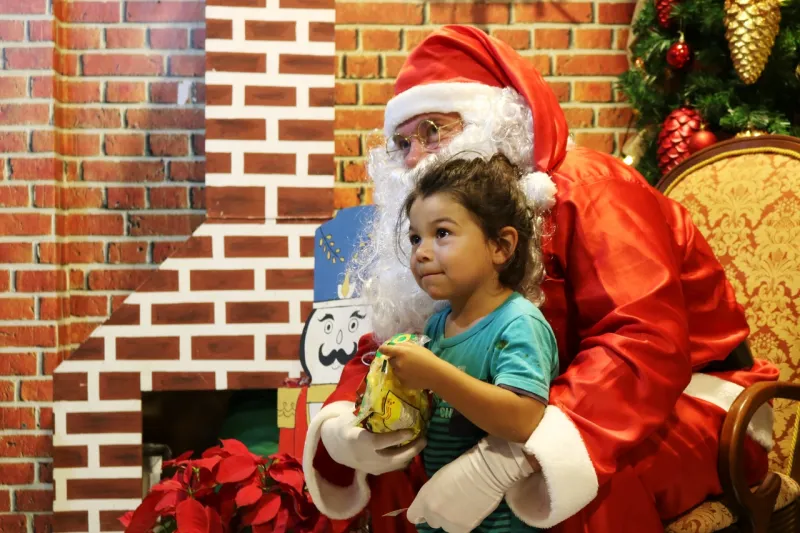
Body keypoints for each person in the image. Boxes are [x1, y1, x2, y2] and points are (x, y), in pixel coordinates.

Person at [301, 25, 779, 533]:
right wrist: (343, 433)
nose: (416, 158)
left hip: (686, 400)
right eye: (402, 142)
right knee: (395, 472)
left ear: (493, 123)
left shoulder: (592, 190)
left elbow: (644, 342)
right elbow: (393, 342)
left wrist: (508, 460)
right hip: (512, 404)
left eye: (434, 131)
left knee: (571, 488)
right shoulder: (430, 226)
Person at [377, 153, 559, 532]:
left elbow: (524, 419)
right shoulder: (439, 323)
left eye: (441, 233)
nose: (421, 252)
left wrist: (436, 375)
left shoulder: (517, 323)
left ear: (501, 246)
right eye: (415, 238)